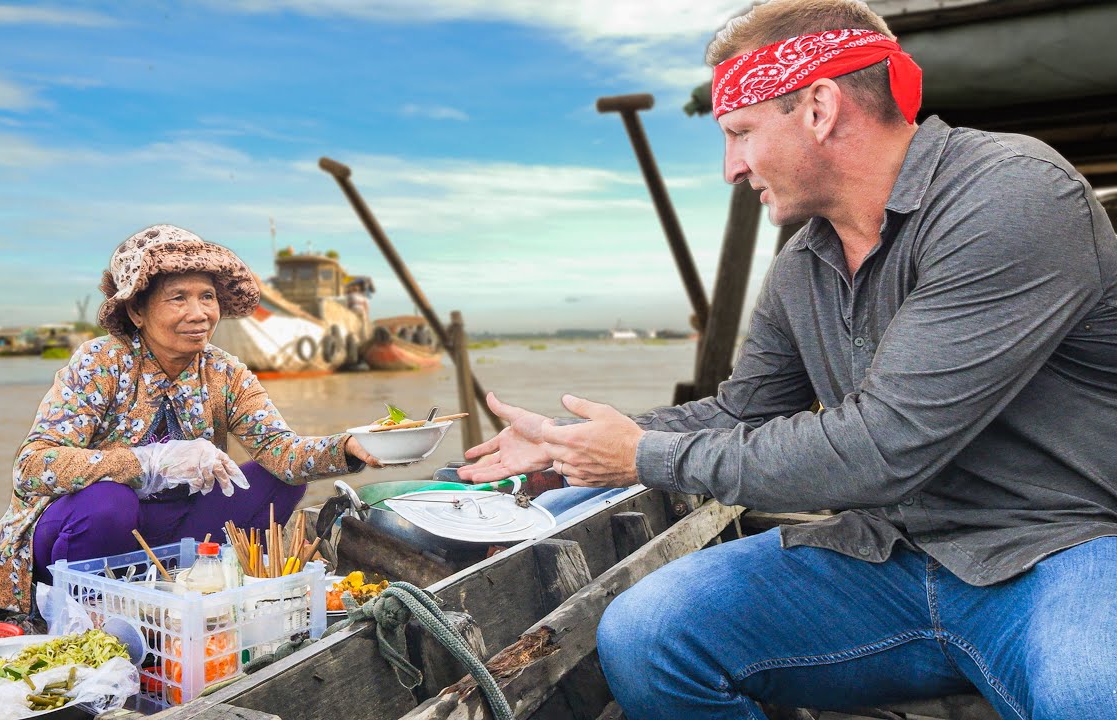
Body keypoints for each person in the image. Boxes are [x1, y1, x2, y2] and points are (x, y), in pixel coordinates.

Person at [459, 0, 1117, 717]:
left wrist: (641, 455)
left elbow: (884, 446)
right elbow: (738, 412)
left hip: (1063, 550)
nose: (731, 167)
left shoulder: (1012, 192)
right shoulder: (804, 265)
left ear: (820, 108)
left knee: (1095, 693)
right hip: (889, 554)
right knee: (649, 633)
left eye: (740, 132)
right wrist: (570, 450)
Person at [0, 224, 382, 613]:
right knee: (109, 501)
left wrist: (348, 446)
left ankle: (197, 586)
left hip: (176, 532)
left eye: (207, 296)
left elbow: (281, 451)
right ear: (136, 311)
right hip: (84, 539)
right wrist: (144, 463)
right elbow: (33, 466)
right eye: (178, 298)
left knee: (279, 480)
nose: (199, 314)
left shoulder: (225, 372)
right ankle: (82, 613)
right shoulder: (102, 362)